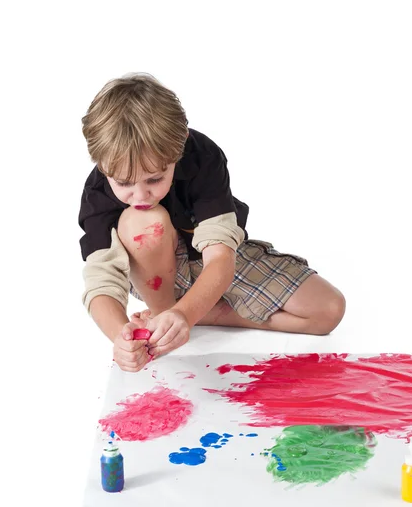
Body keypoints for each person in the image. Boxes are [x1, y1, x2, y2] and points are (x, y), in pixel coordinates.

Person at [79, 73, 345, 372]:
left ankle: (180, 313)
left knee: (327, 310)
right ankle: (164, 309)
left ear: (178, 152)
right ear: (102, 165)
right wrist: (121, 338)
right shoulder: (98, 193)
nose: (140, 193)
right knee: (144, 220)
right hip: (156, 273)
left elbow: (220, 256)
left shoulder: (202, 156)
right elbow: (101, 281)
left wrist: (187, 314)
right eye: (124, 183)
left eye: (155, 178)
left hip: (212, 257)